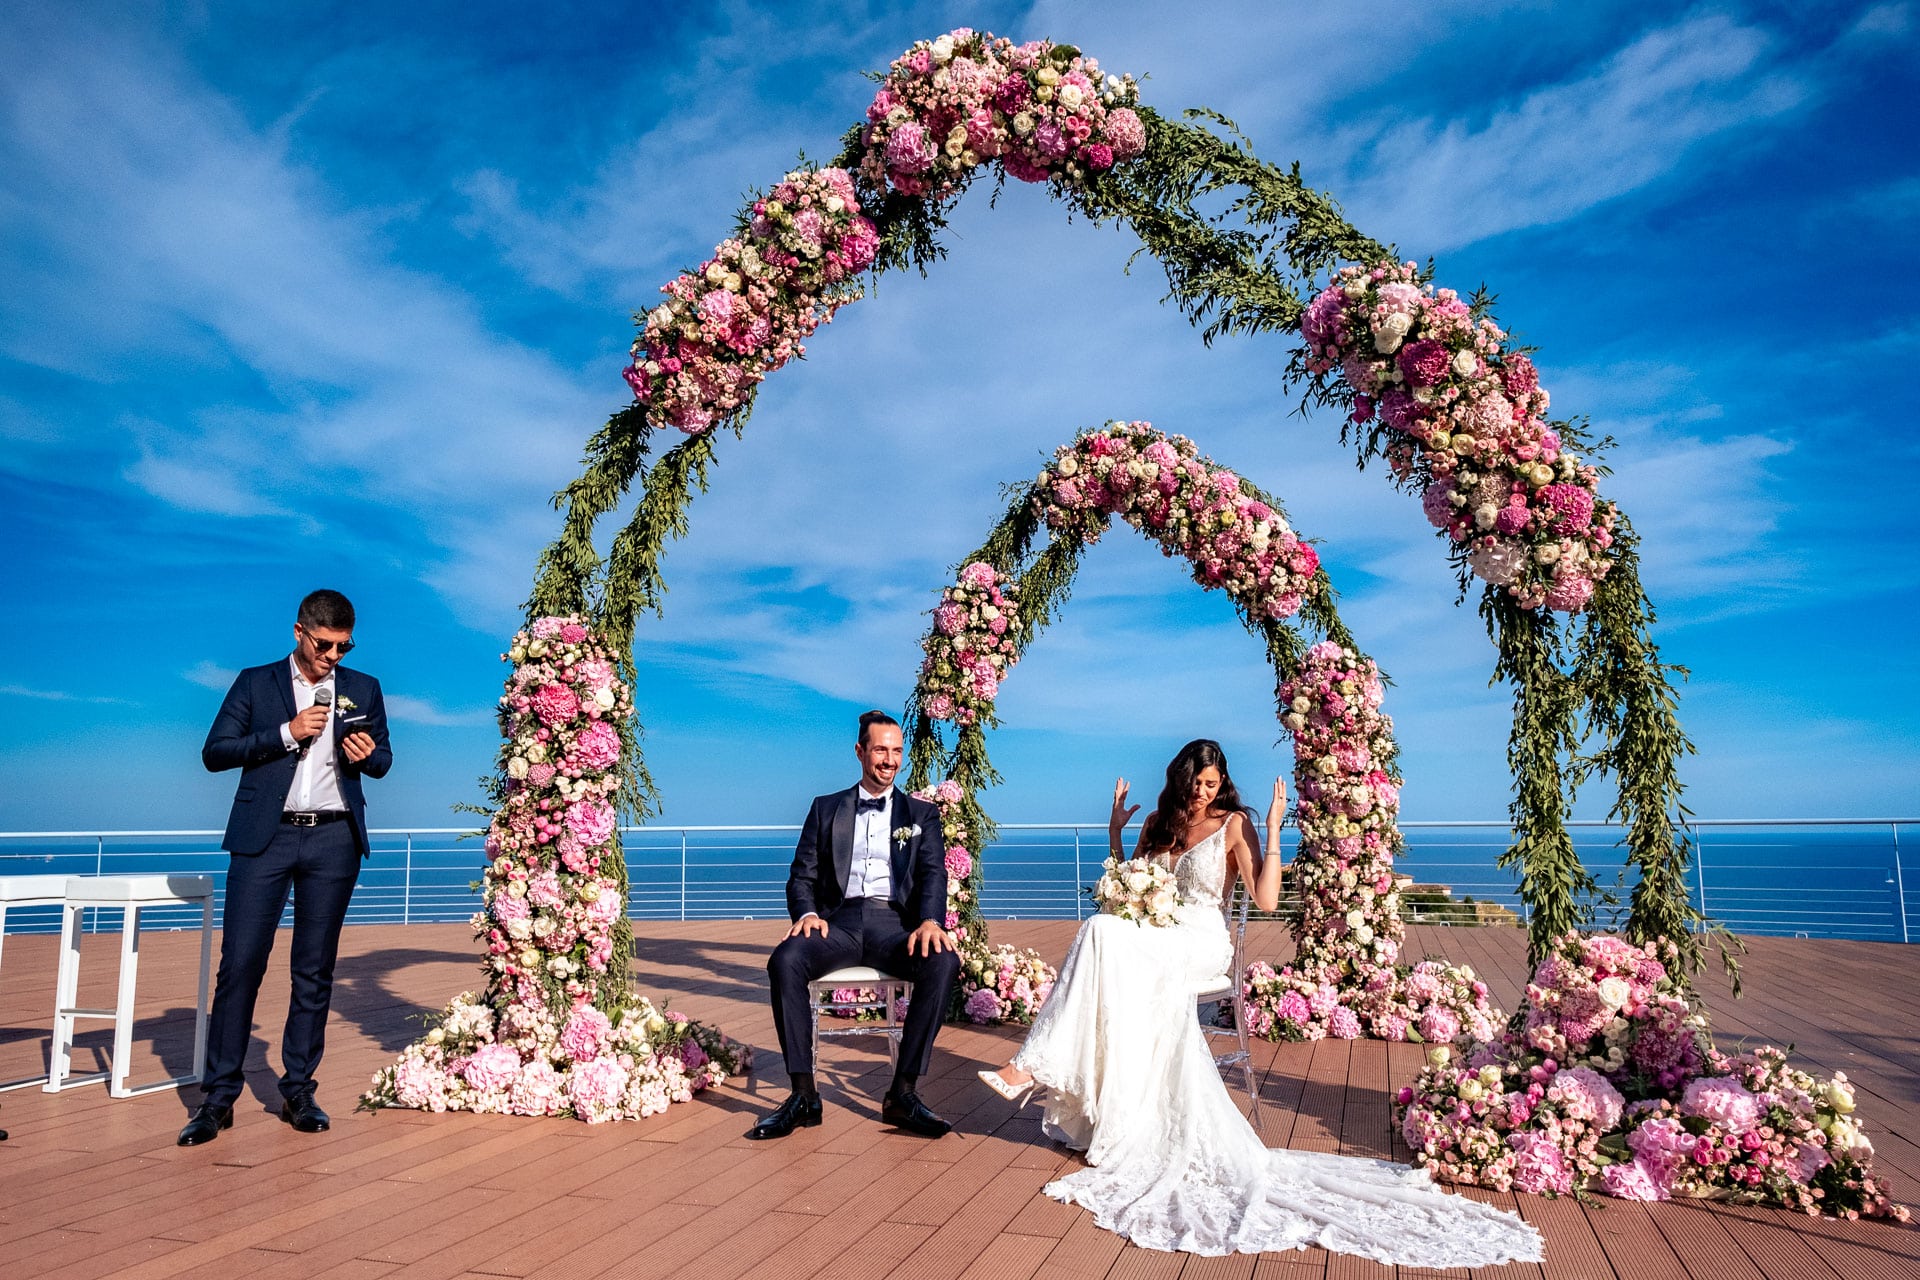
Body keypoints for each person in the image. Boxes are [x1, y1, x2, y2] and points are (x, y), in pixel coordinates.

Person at [976, 740, 1542, 1267]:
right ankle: (1069, 1083)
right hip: (1152, 934)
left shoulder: (1232, 823)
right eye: (1196, 782)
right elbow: (1129, 882)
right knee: (1103, 931)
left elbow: (1266, 898)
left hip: (1199, 940)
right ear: (1180, 778)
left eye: (1212, 782)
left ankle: (1034, 1065)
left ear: (1222, 783)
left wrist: (1272, 832)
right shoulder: (1158, 822)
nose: (1203, 792)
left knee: (1099, 933)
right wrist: (1116, 832)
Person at [178, 589, 391, 1147]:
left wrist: (368, 756)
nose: (334, 658)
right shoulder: (255, 682)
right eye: (325, 645)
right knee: (241, 964)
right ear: (299, 632)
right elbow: (215, 752)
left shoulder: (364, 689)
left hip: (333, 841)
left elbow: (386, 760)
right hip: (264, 840)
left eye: (344, 647)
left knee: (314, 970)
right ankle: (218, 1098)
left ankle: (299, 1090)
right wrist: (284, 734)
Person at [749, 710, 961, 1140]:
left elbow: (933, 873)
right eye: (881, 749)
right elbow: (802, 875)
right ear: (860, 751)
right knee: (785, 961)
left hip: (895, 925)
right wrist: (807, 914)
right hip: (837, 924)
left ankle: (903, 1093)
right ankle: (803, 1096)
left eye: (897, 751)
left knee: (942, 961)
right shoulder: (827, 808)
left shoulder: (921, 814)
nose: (890, 759)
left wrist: (929, 921)